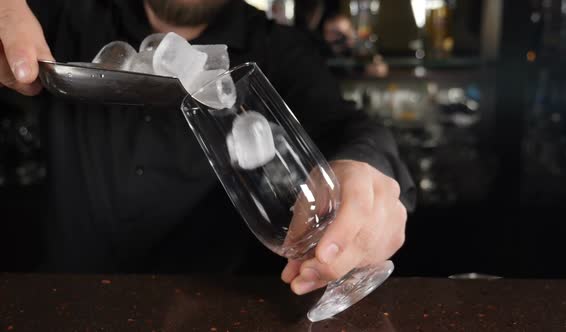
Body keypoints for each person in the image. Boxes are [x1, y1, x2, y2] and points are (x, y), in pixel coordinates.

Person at [0, 0, 414, 296]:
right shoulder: (65, 15)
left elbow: (352, 127)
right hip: (62, 300)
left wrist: (366, 168)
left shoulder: (277, 49)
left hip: (204, 309)